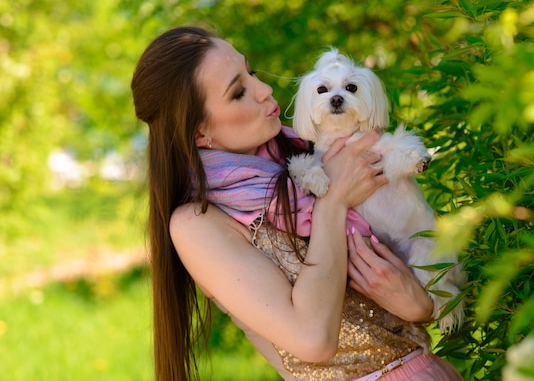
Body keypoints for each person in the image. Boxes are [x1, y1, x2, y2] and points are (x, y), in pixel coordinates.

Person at [131, 26, 463, 381]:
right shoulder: (196, 223)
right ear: (199, 133)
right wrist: (334, 202)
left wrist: (421, 305)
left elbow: (408, 256)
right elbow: (313, 339)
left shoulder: (308, 155)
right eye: (239, 91)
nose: (265, 90)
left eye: (252, 73)